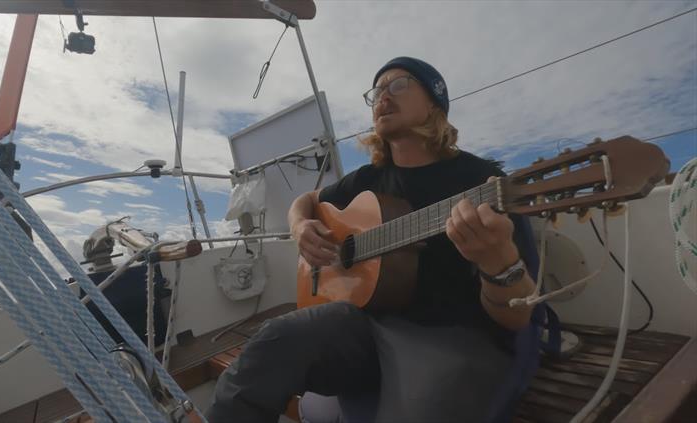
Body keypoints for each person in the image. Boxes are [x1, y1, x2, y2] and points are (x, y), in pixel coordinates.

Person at [206, 57, 542, 422]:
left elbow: (517, 317)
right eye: (377, 91)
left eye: (399, 85)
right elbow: (305, 202)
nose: (383, 97)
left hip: (453, 336)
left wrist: (498, 262)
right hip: (366, 327)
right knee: (275, 339)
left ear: (434, 102)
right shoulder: (366, 179)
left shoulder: (482, 181)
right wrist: (300, 226)